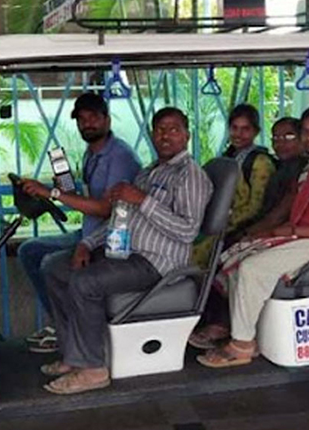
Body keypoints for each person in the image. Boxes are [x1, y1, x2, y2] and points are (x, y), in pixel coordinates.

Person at [38, 107, 213, 394]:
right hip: (125, 252)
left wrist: (142, 199)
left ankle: (93, 369)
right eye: (159, 130)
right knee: (55, 267)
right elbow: (121, 219)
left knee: (85, 282)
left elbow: (187, 231)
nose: (165, 135)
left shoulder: (190, 175)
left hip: (157, 262)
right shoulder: (148, 172)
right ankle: (74, 355)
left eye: (173, 129)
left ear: (186, 135)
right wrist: (86, 243)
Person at [197, 104, 309, 368]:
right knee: (236, 258)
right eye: (306, 132)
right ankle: (249, 334)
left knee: (252, 268)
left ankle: (241, 344)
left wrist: (292, 231)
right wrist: (267, 232)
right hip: (304, 239)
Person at [19, 92, 141, 353]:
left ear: (107, 119)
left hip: (109, 238)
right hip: (87, 232)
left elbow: (106, 209)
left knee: (49, 262)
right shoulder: (91, 154)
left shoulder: (120, 157)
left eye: (94, 117)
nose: (88, 124)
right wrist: (61, 186)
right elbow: (82, 198)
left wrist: (52, 193)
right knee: (29, 250)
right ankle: (60, 322)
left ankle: (69, 327)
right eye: (82, 119)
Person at [189, 117, 308, 348]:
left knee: (229, 254)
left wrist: (248, 232)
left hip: (287, 232)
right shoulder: (280, 166)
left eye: (289, 137)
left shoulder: (299, 170)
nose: (281, 143)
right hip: (268, 226)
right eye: (276, 138)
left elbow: (278, 213)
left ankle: (224, 324)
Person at [192, 104, 276, 268]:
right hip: (214, 220)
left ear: (256, 131)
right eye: (234, 128)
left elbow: (255, 206)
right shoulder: (229, 156)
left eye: (245, 129)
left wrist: (224, 220)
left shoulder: (260, 162)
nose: (238, 134)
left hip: (234, 225)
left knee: (193, 255)